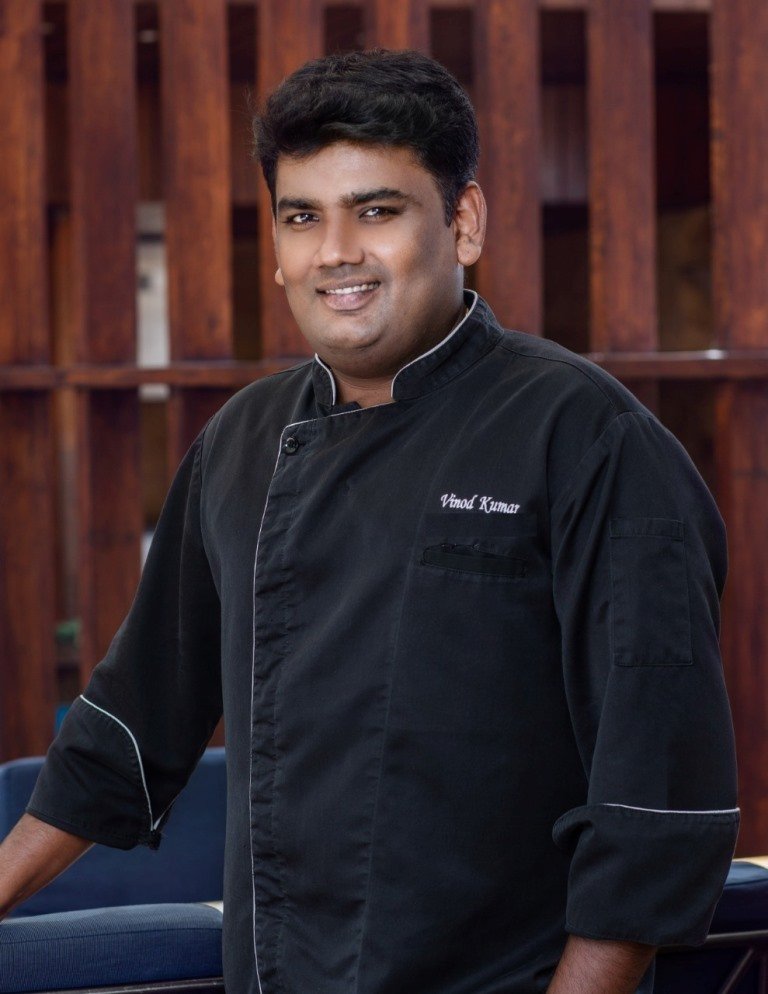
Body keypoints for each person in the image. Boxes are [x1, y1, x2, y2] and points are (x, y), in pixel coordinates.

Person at [0, 49, 738, 994]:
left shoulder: (588, 438)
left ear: (463, 223)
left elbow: (655, 794)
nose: (335, 252)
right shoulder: (243, 440)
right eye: (302, 217)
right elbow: (131, 724)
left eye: (377, 211)